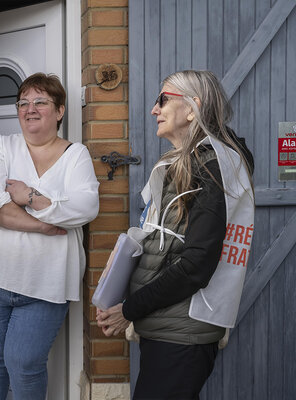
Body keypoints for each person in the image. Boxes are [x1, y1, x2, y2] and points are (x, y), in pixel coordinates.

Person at [96, 70, 255, 399]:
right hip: (167, 326)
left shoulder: (212, 166)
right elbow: (162, 242)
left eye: (163, 99)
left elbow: (196, 263)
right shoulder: (187, 163)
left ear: (192, 108)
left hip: (182, 332)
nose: (154, 109)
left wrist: (129, 309)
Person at [0, 72, 100, 399]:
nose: (30, 109)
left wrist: (29, 197)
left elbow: (85, 207)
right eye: (23, 103)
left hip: (47, 282)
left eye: (40, 102)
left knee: (24, 363)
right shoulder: (2, 146)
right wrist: (46, 222)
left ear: (60, 110)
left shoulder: (75, 155)